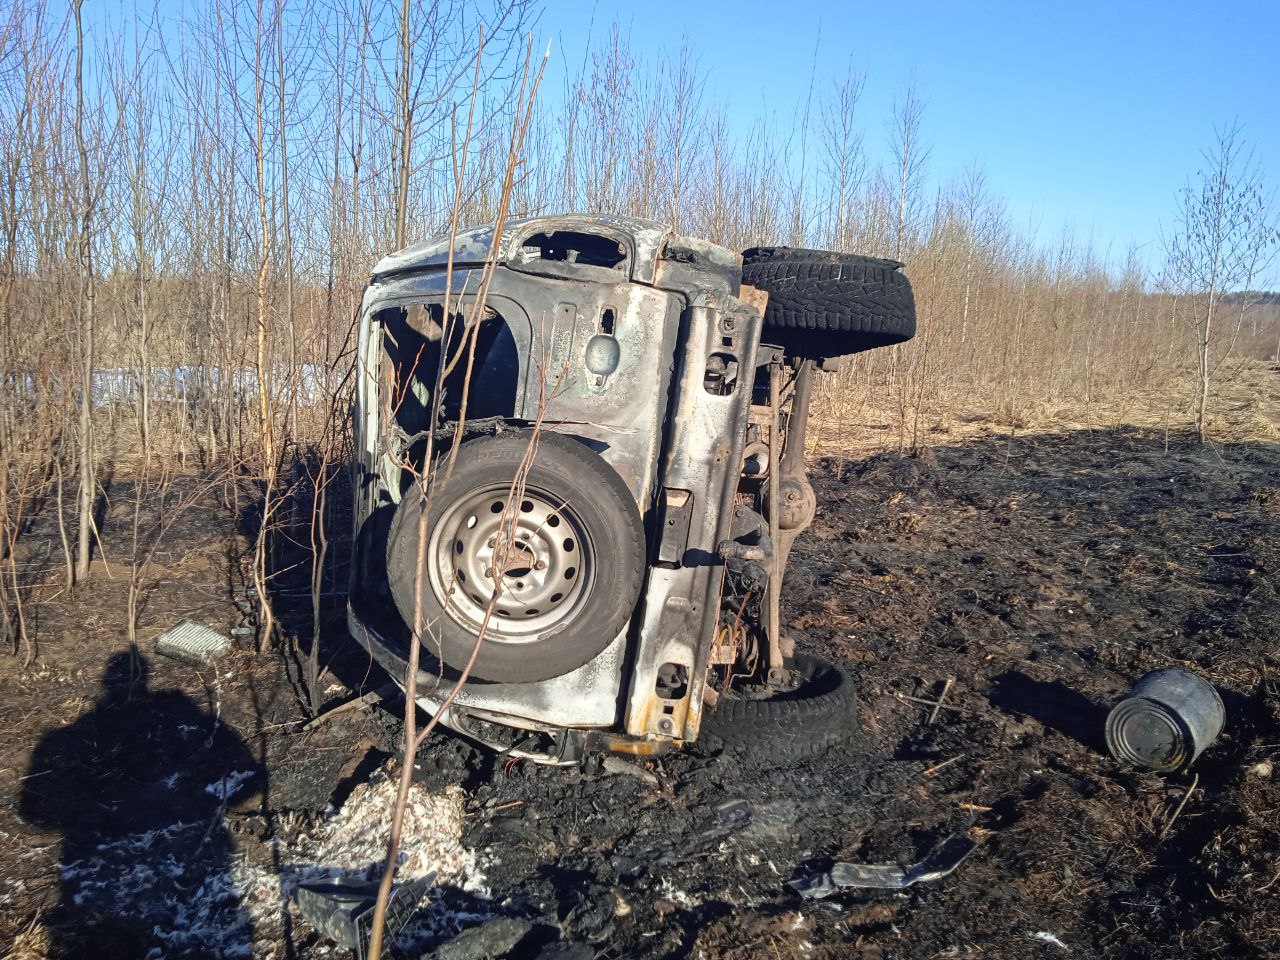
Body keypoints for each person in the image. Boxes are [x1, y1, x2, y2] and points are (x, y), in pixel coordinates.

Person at [20, 649, 260, 958]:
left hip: (107, 881)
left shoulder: (66, 740)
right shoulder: (180, 719)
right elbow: (249, 784)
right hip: (152, 874)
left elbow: (34, 813)